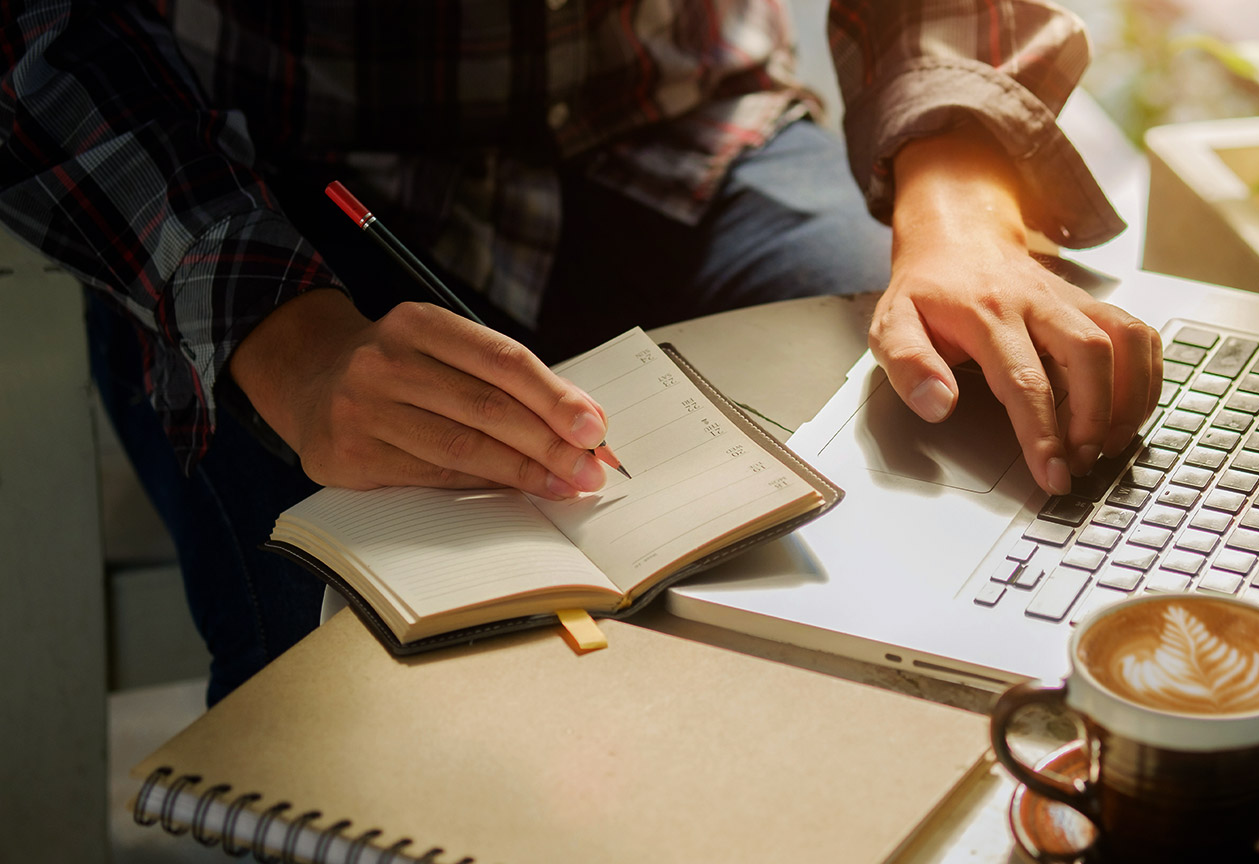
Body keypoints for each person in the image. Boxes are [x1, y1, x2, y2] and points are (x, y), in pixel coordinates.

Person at [0, 0, 1160, 703]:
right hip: (269, 201)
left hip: (687, 131)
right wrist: (278, 336)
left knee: (955, 487)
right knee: (356, 723)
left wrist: (957, 198)